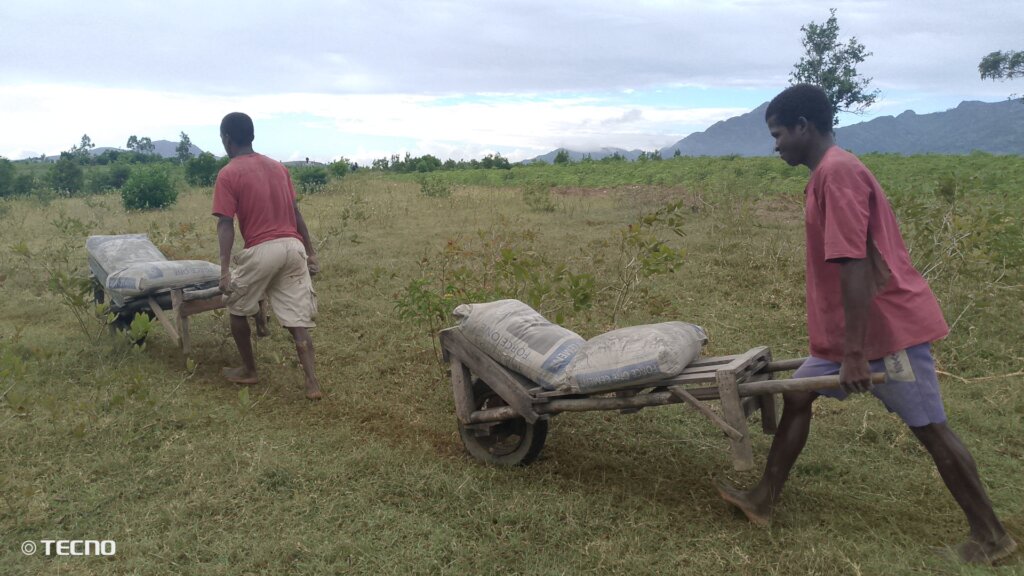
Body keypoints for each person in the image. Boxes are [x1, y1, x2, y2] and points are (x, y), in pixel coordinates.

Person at [715, 84, 1015, 565]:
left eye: (778, 134)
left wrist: (855, 353)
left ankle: (993, 537)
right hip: (847, 334)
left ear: (803, 127)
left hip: (883, 333)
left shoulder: (838, 174)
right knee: (796, 395)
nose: (775, 145)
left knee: (932, 430)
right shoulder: (826, 174)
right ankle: (763, 498)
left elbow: (854, 264)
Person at [212, 112, 323, 400]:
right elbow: (296, 213)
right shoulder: (278, 168)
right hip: (293, 247)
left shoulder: (228, 173)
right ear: (251, 135)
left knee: (236, 307)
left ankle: (249, 370)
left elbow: (225, 223)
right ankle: (312, 383)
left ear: (226, 139)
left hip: (263, 250)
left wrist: (225, 271)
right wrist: (310, 254)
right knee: (297, 320)